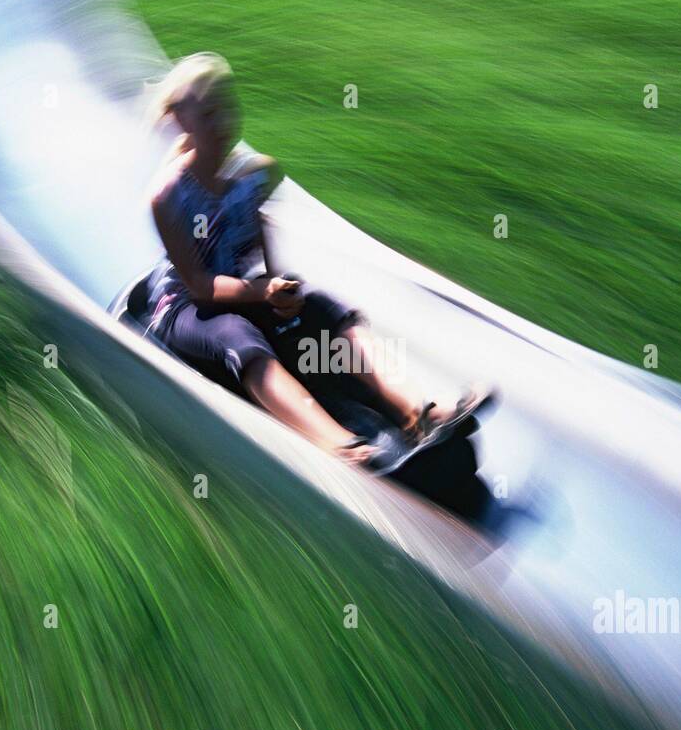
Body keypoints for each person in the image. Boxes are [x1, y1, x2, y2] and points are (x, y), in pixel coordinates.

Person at [143, 52, 484, 468]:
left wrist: (280, 292)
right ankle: (337, 444)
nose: (223, 123)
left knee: (321, 306)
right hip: (186, 307)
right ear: (182, 120)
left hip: (242, 289)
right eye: (210, 114)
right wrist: (260, 291)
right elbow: (199, 284)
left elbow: (260, 243)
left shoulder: (255, 176)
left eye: (228, 109)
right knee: (234, 334)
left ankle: (419, 412)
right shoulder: (167, 196)